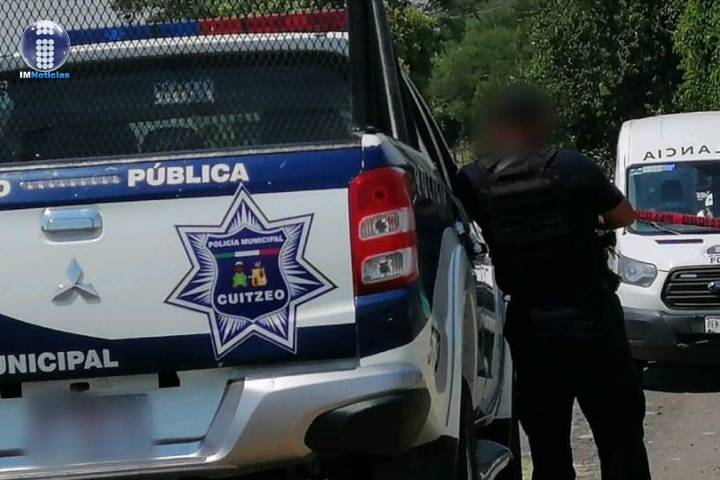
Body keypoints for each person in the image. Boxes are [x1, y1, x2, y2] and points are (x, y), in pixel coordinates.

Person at [452, 86, 650, 480]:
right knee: (620, 438)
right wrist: (589, 218)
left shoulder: (474, 180)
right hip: (593, 322)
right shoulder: (574, 167)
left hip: (533, 328)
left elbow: (448, 217)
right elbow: (624, 215)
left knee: (548, 447)